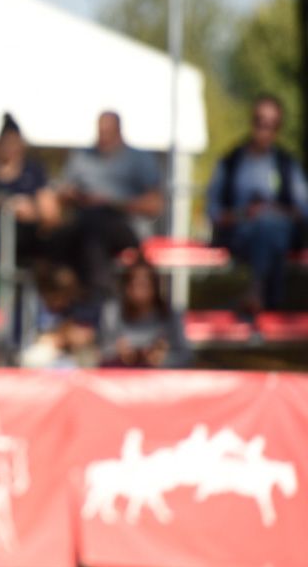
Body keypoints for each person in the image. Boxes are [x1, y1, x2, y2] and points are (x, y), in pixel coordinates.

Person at [206, 94, 308, 312]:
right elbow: (213, 211)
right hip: (240, 234)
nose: (265, 130)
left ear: (278, 128)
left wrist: (272, 211)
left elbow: (303, 210)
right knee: (267, 231)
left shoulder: (287, 165)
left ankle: (257, 292)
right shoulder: (231, 162)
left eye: (272, 125)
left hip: (279, 232)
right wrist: (244, 214)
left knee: (269, 226)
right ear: (252, 122)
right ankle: (271, 302)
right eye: (260, 122)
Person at [52, 111, 163, 300]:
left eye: (107, 133)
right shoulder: (81, 157)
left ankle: (97, 296)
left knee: (95, 228)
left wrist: (112, 202)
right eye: (100, 132)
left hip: (124, 225)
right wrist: (73, 196)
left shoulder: (139, 159)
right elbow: (61, 193)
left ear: (119, 132)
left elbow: (155, 205)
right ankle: (64, 295)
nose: (102, 138)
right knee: (65, 235)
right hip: (85, 223)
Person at [0, 112, 60, 265]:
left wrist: (30, 211)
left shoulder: (34, 172)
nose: (9, 147)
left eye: (13, 142)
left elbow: (51, 214)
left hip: (25, 247)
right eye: (5, 142)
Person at [99, 255, 190, 369]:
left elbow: (185, 356)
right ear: (126, 288)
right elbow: (101, 351)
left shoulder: (170, 314)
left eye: (144, 285)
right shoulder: (112, 312)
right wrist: (117, 352)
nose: (139, 291)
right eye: (134, 285)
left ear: (155, 287)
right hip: (119, 375)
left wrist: (163, 359)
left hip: (159, 377)